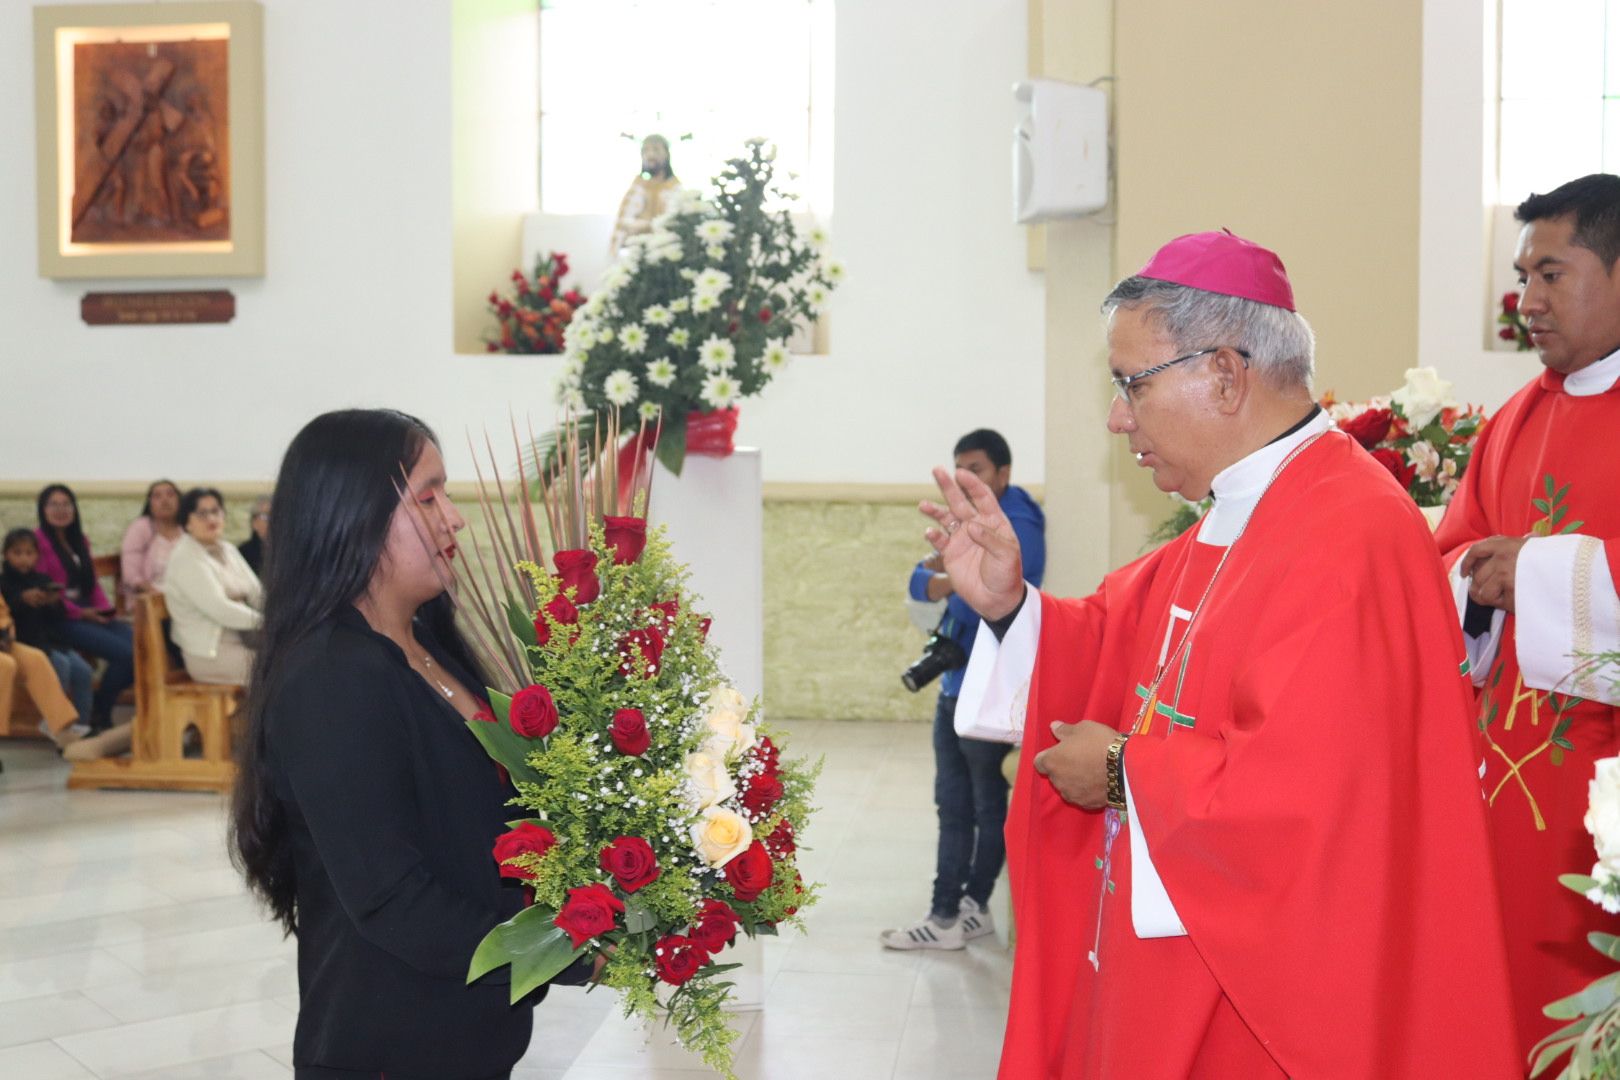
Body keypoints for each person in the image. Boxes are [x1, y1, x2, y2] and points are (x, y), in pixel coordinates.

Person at [929, 232, 1521, 1079]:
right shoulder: (1243, 511)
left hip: (1267, 1005)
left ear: (1225, 375)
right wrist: (1008, 604)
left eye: (1132, 384)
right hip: (1175, 962)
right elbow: (1110, 636)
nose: (1117, 417)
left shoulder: (1350, 533)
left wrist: (1125, 771)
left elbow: (1316, 802)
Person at [229, 409, 591, 1080]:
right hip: (391, 1044)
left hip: (466, 1033)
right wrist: (569, 946)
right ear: (354, 515)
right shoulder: (332, 677)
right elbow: (393, 900)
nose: (454, 519)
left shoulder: (425, 643)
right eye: (428, 497)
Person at [1435, 172, 1620, 1064]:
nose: (1526, 301)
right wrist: (1477, 583)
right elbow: (1452, 554)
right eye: (1521, 278)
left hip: (1602, 793)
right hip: (1503, 787)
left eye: (1551, 275)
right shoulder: (1513, 419)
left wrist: (1540, 572)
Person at [881, 429, 1045, 950]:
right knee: (963, 802)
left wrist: (949, 578)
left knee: (973, 804)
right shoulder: (972, 520)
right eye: (960, 469)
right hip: (958, 681)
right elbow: (917, 582)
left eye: (977, 469)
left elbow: (1000, 592)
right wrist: (951, 577)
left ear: (1003, 473)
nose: (967, 479)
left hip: (990, 687)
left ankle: (948, 916)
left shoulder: (1019, 522)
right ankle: (972, 908)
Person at [34, 484, 133, 732]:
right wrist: (82, 613)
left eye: (66, 504)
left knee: (141, 648)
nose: (61, 510)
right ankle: (101, 710)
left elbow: (92, 585)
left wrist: (105, 611)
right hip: (58, 616)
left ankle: (100, 702)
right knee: (125, 655)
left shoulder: (80, 539)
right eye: (53, 504)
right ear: (43, 509)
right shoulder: (38, 541)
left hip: (87, 610)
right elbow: (47, 591)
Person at [1, 528, 93, 751]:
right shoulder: (5, 581)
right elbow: (13, 608)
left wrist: (53, 602)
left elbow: (4, 613)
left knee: (57, 664)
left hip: (21, 638)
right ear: (5, 554)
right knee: (13, 664)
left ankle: (69, 727)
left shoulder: (41, 579)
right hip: (27, 637)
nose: (24, 559)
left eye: (29, 553)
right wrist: (22, 600)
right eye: (17, 553)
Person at [165, 488, 262, 685]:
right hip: (212, 654)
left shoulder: (228, 549)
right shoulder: (186, 557)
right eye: (202, 513)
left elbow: (257, 593)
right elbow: (219, 608)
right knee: (282, 667)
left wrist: (284, 617)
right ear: (187, 521)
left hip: (246, 640)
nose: (211, 518)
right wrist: (266, 622)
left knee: (297, 658)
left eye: (216, 511)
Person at [609, 133, 681, 255]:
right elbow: (623, 220)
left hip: (667, 249)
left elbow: (676, 223)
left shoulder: (675, 188)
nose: (650, 155)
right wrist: (633, 224)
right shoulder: (638, 186)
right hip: (638, 249)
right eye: (645, 150)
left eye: (656, 149)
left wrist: (650, 226)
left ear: (667, 154)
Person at [119, 479, 184, 600]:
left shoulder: (189, 528)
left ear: (180, 500)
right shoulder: (140, 528)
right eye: (157, 496)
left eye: (170, 494)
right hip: (150, 598)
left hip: (186, 595)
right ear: (149, 503)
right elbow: (131, 576)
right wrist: (158, 595)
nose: (165, 500)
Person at [238, 494, 271, 575]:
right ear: (254, 523)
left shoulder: (288, 551)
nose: (272, 521)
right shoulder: (243, 554)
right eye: (266, 516)